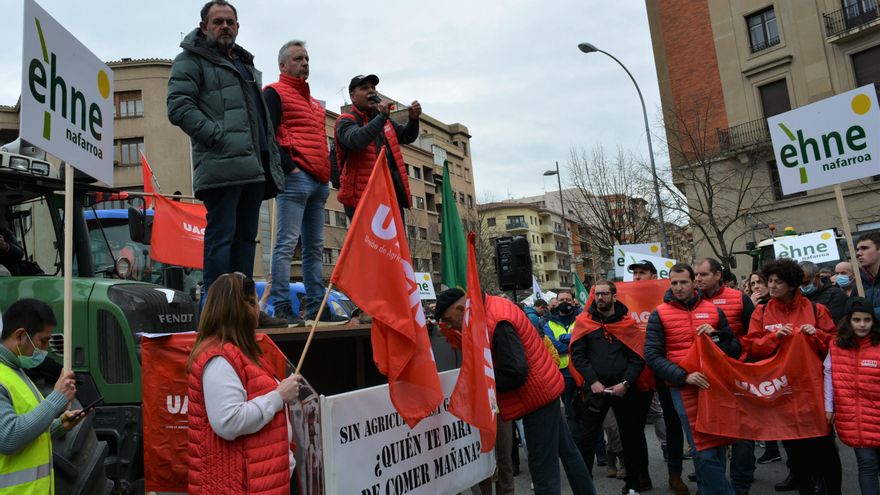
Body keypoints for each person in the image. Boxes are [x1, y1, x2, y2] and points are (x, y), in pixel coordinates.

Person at [167, 0, 284, 293]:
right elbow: (178, 107)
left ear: (238, 27)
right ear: (204, 26)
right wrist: (218, 136)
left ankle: (243, 311)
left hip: (253, 166)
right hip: (222, 165)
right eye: (218, 22)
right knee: (221, 240)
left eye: (230, 22)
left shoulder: (243, 63)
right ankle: (215, 314)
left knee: (245, 242)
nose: (225, 27)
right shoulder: (190, 59)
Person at [435, 288, 596, 495]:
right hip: (545, 389)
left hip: (535, 398)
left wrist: (485, 387)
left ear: (459, 308)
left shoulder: (496, 320)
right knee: (569, 453)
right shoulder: (493, 306)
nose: (450, 326)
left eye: (449, 320)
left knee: (542, 471)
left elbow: (515, 372)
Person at [187, 273, 302, 494]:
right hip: (244, 486)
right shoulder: (219, 359)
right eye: (255, 302)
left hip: (265, 480)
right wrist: (279, 396)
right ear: (242, 309)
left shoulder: (238, 352)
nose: (258, 308)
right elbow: (228, 421)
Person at [740, 259, 841, 495]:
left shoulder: (816, 310)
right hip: (782, 390)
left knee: (824, 448)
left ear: (793, 284)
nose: (772, 286)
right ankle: (806, 487)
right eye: (770, 281)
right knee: (794, 449)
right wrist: (774, 338)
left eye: (778, 281)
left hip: (813, 388)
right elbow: (752, 347)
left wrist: (816, 334)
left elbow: (836, 345)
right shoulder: (761, 311)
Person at [263, 40, 344, 326]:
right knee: (285, 245)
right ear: (282, 65)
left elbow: (321, 143)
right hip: (296, 179)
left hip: (319, 183)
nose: (305, 63)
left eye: (307, 58)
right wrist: (290, 168)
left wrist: (328, 178)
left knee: (314, 249)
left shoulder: (314, 105)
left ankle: (316, 308)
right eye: (298, 58)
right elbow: (267, 135)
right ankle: (282, 305)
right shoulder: (273, 93)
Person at [644, 263, 741, 495]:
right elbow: (652, 356)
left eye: (683, 282)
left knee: (717, 444)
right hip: (683, 388)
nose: (678, 287)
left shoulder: (714, 311)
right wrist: (684, 376)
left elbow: (734, 348)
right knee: (702, 446)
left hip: (716, 385)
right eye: (674, 283)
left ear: (693, 282)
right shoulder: (659, 314)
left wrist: (717, 336)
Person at [570, 280, 653, 495]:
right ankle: (584, 488)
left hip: (624, 390)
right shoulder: (583, 322)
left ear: (614, 296)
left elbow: (638, 358)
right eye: (597, 294)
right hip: (594, 391)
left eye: (605, 294)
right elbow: (578, 356)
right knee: (586, 440)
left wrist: (625, 383)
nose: (600, 298)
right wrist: (593, 382)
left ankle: (633, 484)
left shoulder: (627, 323)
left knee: (631, 438)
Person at [0, 299, 83, 493]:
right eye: (43, 341)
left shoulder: (16, 373)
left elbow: (27, 435)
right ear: (20, 335)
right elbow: (8, 438)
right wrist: (57, 399)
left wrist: (58, 426)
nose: (45, 350)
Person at [694, 258, 755, 495]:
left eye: (703, 275)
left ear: (718, 275)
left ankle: (740, 485)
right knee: (708, 433)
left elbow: (753, 337)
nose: (697, 279)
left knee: (741, 434)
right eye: (696, 275)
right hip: (705, 378)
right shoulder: (690, 302)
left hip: (736, 372)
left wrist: (743, 361)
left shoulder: (739, 298)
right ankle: (711, 483)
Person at [629, 259, 690, 495]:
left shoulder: (668, 298)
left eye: (642, 273)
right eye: (634, 274)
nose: (636, 278)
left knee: (673, 423)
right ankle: (641, 475)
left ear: (654, 277)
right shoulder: (626, 299)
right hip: (637, 372)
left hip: (664, 370)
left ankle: (675, 475)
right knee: (634, 427)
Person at [334, 75, 420, 219]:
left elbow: (406, 136)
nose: (371, 91)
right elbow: (357, 140)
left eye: (373, 88)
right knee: (367, 242)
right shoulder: (346, 121)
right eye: (364, 88)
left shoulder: (384, 121)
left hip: (390, 195)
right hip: (362, 197)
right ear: (353, 96)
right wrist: (382, 117)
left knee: (396, 242)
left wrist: (413, 119)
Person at [825, 297, 880, 495]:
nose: (863, 324)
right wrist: (829, 407)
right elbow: (828, 374)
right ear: (848, 321)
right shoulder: (835, 346)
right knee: (867, 466)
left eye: (867, 320)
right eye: (857, 320)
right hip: (855, 420)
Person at [857, 232, 880, 318]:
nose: (858, 253)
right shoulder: (859, 284)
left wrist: (868, 314)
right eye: (858, 249)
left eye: (864, 248)